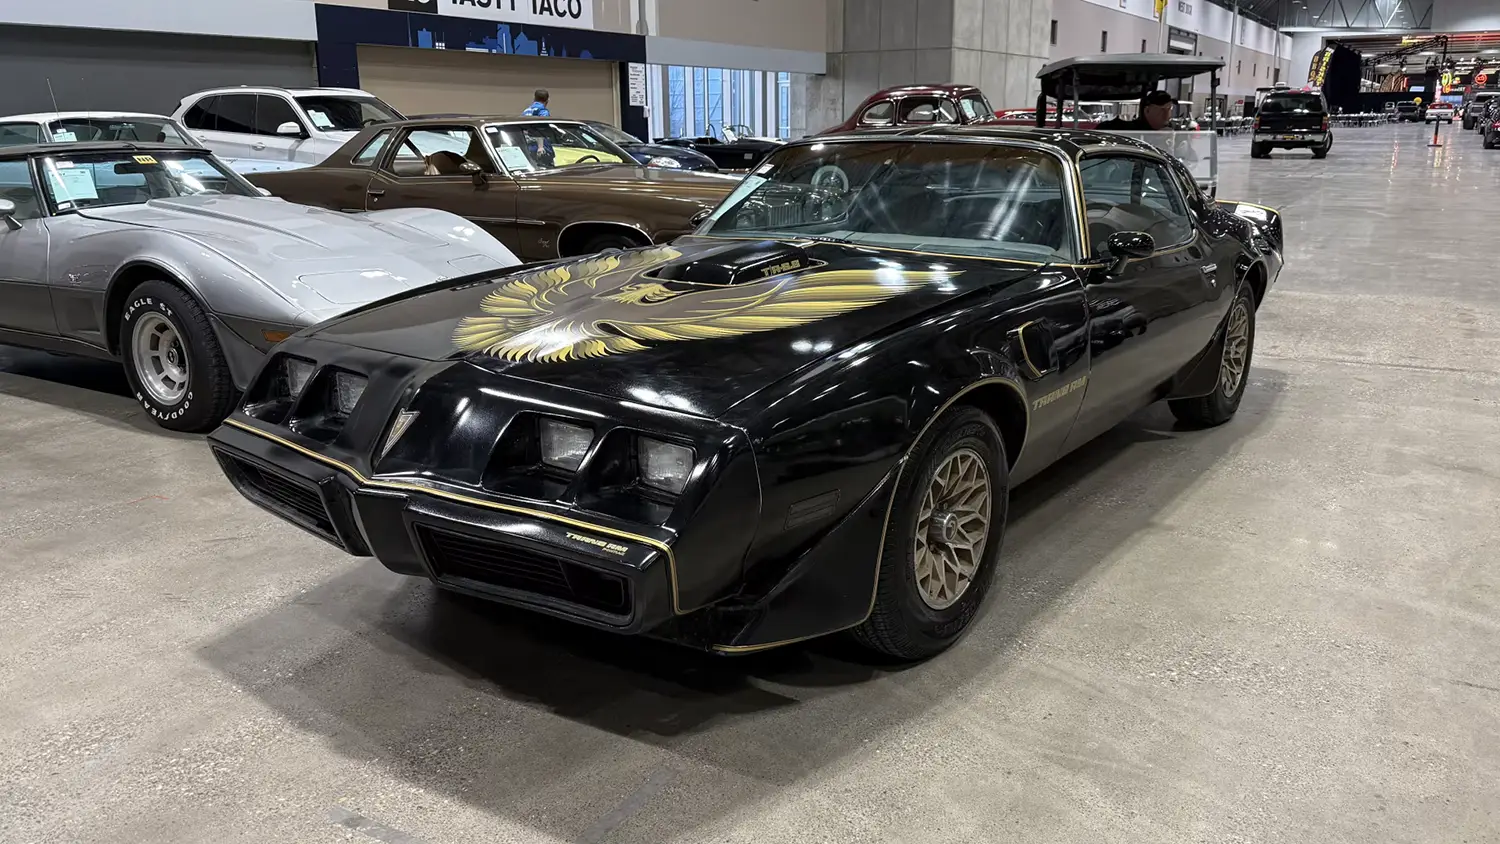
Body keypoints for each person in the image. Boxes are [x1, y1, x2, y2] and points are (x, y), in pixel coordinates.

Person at [1097, 90, 1175, 131]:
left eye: (1170, 109)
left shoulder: (1169, 134)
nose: (1167, 115)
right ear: (1147, 110)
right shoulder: (1128, 130)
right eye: (1162, 110)